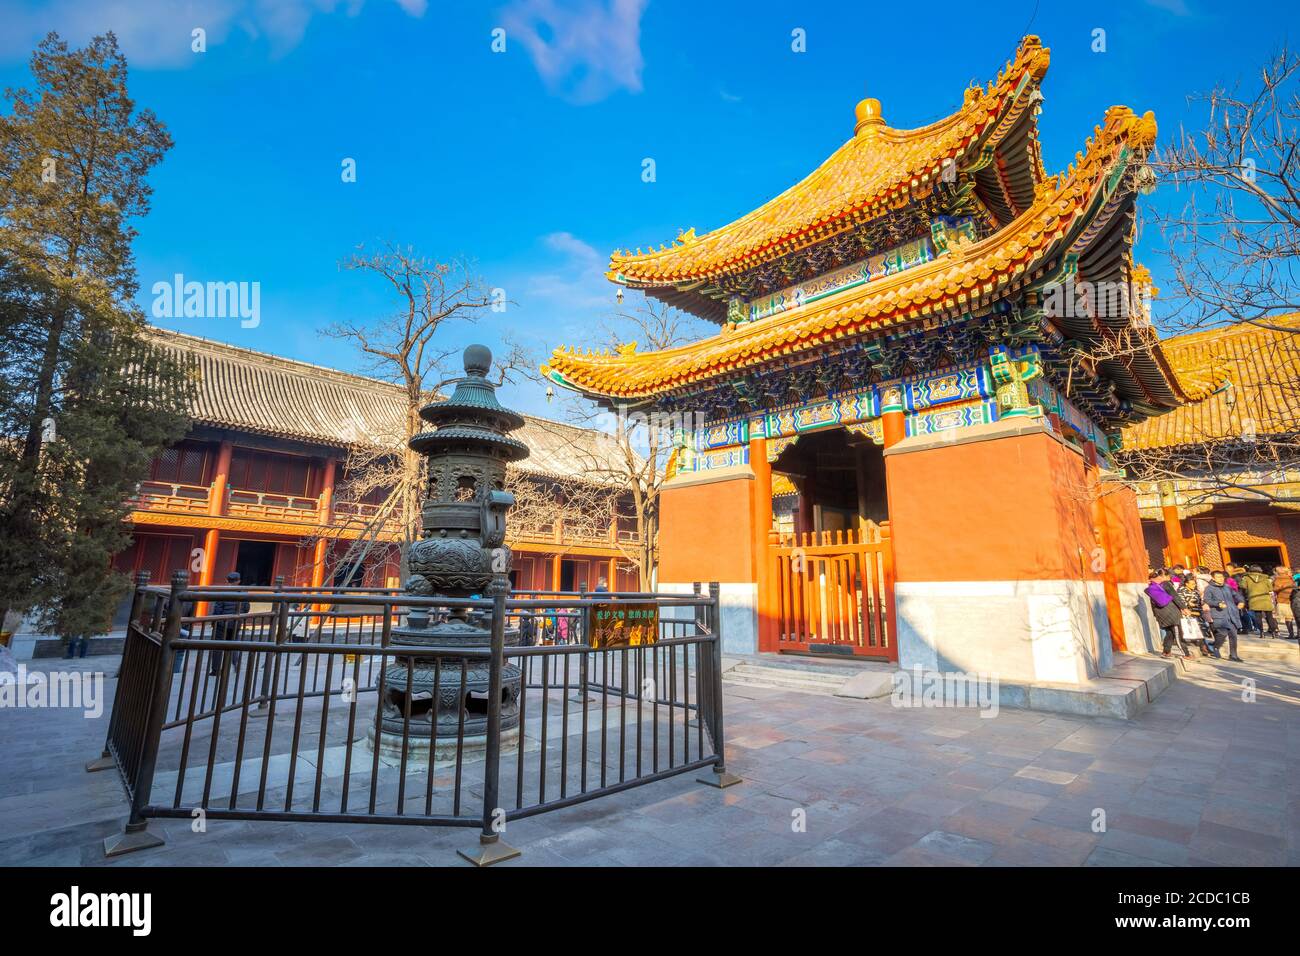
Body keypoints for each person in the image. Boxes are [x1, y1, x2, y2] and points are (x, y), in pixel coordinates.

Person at [209, 571, 251, 677]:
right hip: (236, 624)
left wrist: (214, 622)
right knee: (233, 645)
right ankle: (235, 664)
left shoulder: (223, 592)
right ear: (239, 581)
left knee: (217, 647)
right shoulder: (244, 593)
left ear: (227, 580)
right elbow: (246, 609)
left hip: (222, 624)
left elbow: (217, 610)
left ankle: (216, 670)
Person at [1145, 569, 1190, 658]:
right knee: (1178, 633)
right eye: (1168, 576)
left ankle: (1166, 652)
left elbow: (1153, 604)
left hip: (1162, 614)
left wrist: (1156, 615)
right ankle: (1186, 653)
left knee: (1170, 633)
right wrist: (1184, 608)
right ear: (1162, 576)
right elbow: (1175, 596)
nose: (1169, 578)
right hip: (1171, 613)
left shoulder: (1152, 587)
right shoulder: (1165, 584)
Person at [1202, 569, 1244, 662]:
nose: (1221, 579)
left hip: (1231, 614)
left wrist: (1241, 601)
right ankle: (1214, 646)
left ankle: (1233, 655)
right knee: (1222, 633)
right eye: (1218, 577)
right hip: (1219, 614)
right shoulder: (1209, 588)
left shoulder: (1227, 587)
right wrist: (1217, 604)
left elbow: (1236, 595)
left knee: (1233, 635)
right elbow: (1207, 600)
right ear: (1213, 578)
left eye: (1222, 577)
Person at [1175, 573, 1212, 656]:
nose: (1194, 585)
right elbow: (1181, 603)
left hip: (1198, 613)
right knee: (1193, 631)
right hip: (1188, 615)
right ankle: (1203, 647)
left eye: (1194, 583)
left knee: (1201, 631)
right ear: (1186, 583)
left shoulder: (1196, 592)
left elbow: (1199, 602)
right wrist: (1188, 604)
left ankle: (1204, 647)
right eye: (1192, 584)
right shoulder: (1181, 591)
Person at [1239, 564, 1276, 637]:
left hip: (1254, 598)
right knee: (1269, 616)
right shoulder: (1266, 578)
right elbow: (1270, 589)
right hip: (1265, 598)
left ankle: (1261, 632)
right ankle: (1273, 632)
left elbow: (1242, 586)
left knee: (1258, 616)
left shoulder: (1246, 578)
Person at [1272, 565, 1297, 641]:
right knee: (1290, 618)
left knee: (1279, 617)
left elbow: (1275, 589)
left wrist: (1281, 586)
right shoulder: (1291, 579)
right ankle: (1292, 634)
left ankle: (1279, 632)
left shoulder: (1278, 579)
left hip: (1282, 600)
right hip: (1291, 599)